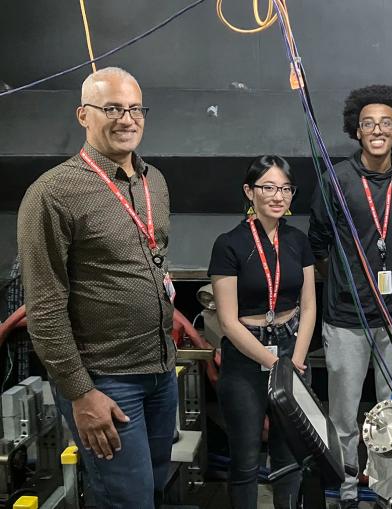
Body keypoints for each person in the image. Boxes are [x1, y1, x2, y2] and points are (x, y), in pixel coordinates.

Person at [17, 67, 177, 508]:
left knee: (154, 486)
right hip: (106, 381)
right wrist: (81, 394)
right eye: (111, 109)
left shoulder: (154, 182)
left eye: (134, 109)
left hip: (161, 372)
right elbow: (45, 308)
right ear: (83, 115)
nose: (126, 119)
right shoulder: (51, 194)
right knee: (128, 500)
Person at [308, 84, 392, 508]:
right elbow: (318, 241)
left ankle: (390, 491)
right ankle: (347, 488)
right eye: (368, 123)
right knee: (343, 415)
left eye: (386, 123)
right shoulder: (336, 178)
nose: (377, 129)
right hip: (345, 317)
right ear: (356, 131)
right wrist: (347, 280)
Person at [209, 155, 315, 509]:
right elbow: (227, 320)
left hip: (292, 347)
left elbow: (309, 305)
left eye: (285, 188)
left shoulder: (298, 241)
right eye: (268, 187)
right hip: (246, 354)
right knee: (245, 459)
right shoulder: (229, 243)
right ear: (249, 192)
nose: (277, 196)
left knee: (290, 458)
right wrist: (275, 363)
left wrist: (294, 360)